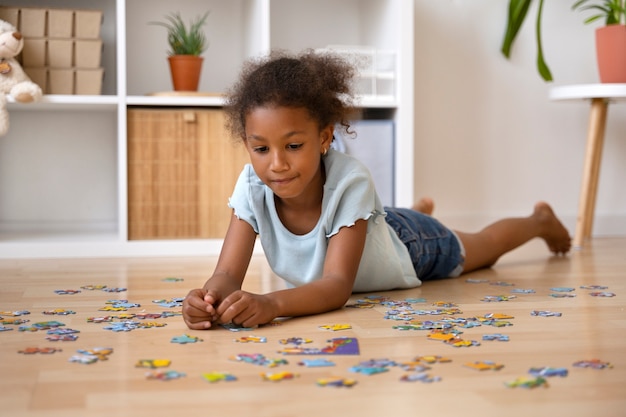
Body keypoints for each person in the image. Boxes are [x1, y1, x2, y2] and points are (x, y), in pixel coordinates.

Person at [182, 50, 571, 330]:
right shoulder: (252, 187)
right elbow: (228, 273)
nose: (277, 164)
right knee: (383, 220)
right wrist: (208, 298)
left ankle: (539, 221)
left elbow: (336, 287)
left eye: (293, 145)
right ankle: (412, 210)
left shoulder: (351, 180)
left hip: (410, 245)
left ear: (323, 138)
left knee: (483, 246)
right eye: (261, 148)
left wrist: (271, 304)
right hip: (372, 230)